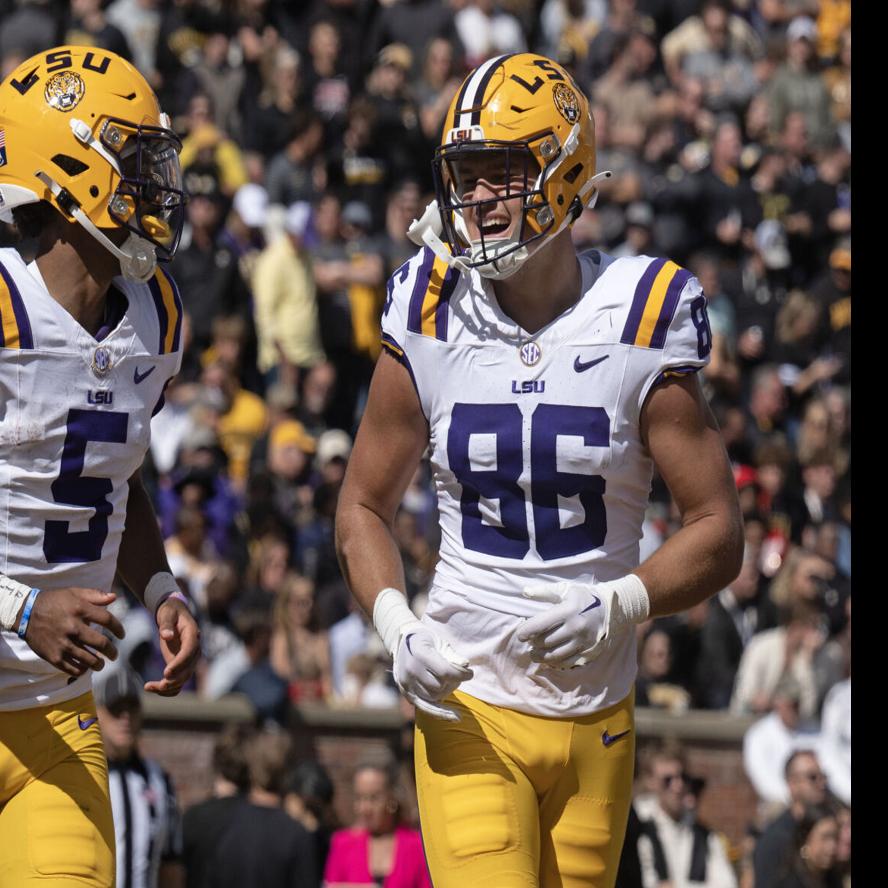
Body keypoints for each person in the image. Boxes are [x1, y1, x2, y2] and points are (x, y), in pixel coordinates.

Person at [335, 52, 744, 887]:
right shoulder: (428, 306)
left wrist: (622, 602)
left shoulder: (641, 312)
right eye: (466, 175)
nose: (478, 197)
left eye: (503, 172)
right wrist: (394, 624)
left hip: (599, 712)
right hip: (470, 703)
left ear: (565, 172)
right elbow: (362, 507)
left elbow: (718, 530)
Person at [0, 46, 201, 887]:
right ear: (67, 166)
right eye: (134, 157)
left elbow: (113, 475)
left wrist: (159, 587)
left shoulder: (155, 319)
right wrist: (18, 610)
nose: (156, 179)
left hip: (51, 711)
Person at [95, 667, 185, 888]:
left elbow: (170, 864)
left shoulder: (158, 779)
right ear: (98, 712)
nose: (125, 718)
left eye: (131, 709)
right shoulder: (85, 775)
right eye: (116, 709)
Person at [636, 745, 737, 887]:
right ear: (650, 782)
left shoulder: (705, 835)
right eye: (668, 779)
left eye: (682, 777)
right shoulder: (639, 828)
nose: (678, 785)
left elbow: (727, 884)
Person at [323, 757, 431, 888]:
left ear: (392, 800)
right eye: (359, 798)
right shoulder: (343, 844)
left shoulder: (416, 845)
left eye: (374, 798)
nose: (365, 808)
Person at [753, 750, 831, 888]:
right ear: (792, 783)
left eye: (823, 776)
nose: (821, 783)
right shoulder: (775, 838)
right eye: (812, 777)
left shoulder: (826, 826)